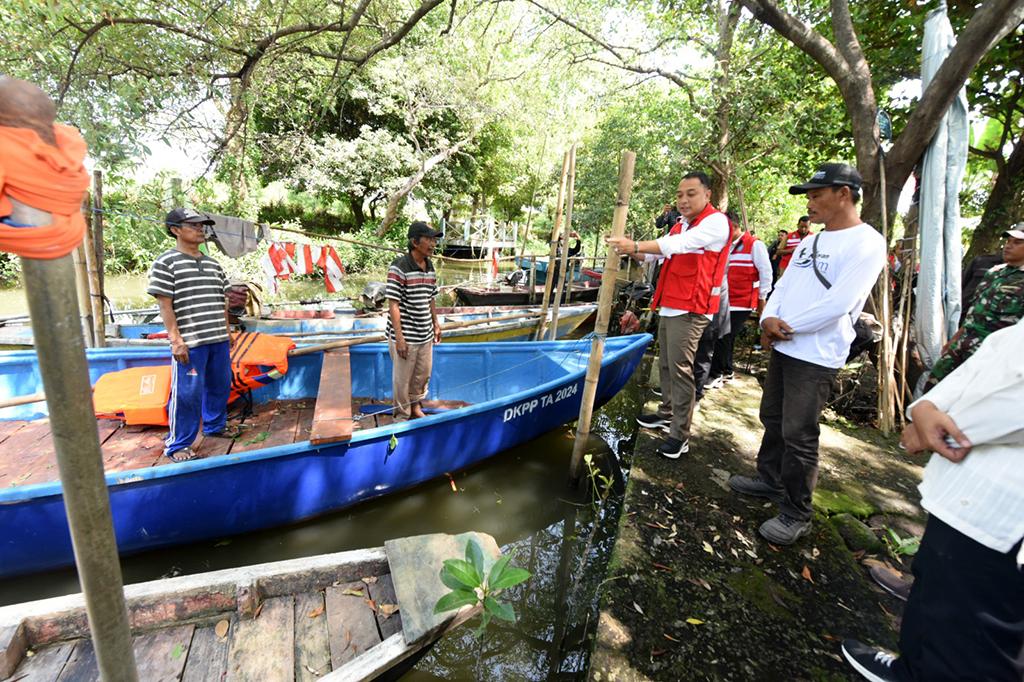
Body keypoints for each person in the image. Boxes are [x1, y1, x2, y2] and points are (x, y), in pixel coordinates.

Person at [841, 318, 1024, 682]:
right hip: (967, 490)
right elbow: (991, 357)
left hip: (1004, 507)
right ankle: (911, 669)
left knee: (975, 635)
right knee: (936, 588)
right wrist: (926, 407)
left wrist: (944, 425)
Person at [728, 163, 886, 544]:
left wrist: (785, 326)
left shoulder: (867, 243)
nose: (810, 203)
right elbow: (784, 286)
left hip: (816, 354)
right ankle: (769, 478)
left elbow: (840, 303)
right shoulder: (811, 242)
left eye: (817, 195)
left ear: (844, 195)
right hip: (785, 344)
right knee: (773, 416)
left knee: (799, 432)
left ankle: (797, 512)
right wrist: (768, 317)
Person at [608, 171, 730, 459]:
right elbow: (655, 254)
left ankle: (680, 435)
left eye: (691, 194)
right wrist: (631, 248)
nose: (683, 200)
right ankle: (666, 413)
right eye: (679, 195)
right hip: (671, 304)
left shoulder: (715, 223)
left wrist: (635, 246)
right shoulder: (680, 225)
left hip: (692, 308)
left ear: (707, 195)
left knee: (680, 370)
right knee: (666, 365)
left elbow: (677, 246)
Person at [148, 208, 237, 462]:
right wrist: (176, 341)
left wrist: (227, 331)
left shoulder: (213, 264)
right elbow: (165, 305)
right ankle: (178, 444)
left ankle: (215, 426)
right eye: (194, 225)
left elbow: (223, 301)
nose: (201, 229)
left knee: (220, 385)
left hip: (218, 338)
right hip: (191, 342)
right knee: (187, 394)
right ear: (176, 230)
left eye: (202, 225)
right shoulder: (166, 263)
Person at [923, 224, 1024, 391]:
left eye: (1017, 242)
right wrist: (956, 338)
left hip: (993, 354)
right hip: (963, 344)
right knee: (933, 389)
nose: (1008, 246)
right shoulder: (995, 272)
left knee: (968, 398)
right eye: (1008, 241)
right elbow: (975, 309)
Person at [386, 221, 443, 421]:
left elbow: (431, 297)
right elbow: (393, 304)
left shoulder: (430, 266)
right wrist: (399, 338)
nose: (433, 244)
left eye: (434, 240)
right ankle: (401, 416)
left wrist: (436, 324)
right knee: (402, 380)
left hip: (425, 333)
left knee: (422, 374)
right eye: (429, 239)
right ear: (415, 242)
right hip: (406, 335)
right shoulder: (399, 267)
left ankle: (415, 406)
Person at [708, 219, 773, 384]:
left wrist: (762, 298)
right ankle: (727, 370)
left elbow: (766, 273)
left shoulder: (755, 245)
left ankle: (715, 374)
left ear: (735, 227)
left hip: (742, 301)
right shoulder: (726, 245)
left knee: (724, 336)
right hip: (724, 298)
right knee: (725, 337)